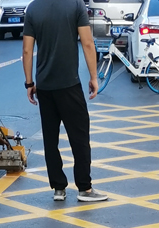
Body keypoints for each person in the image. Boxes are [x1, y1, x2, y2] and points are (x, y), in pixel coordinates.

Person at [22, 0, 108, 203]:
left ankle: (58, 188)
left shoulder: (33, 8)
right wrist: (94, 77)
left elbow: (27, 50)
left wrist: (29, 83)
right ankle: (84, 188)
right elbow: (87, 43)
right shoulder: (75, 5)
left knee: (50, 139)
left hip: (44, 87)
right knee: (79, 138)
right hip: (69, 85)